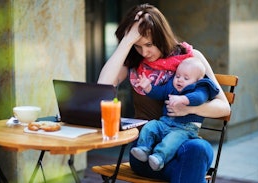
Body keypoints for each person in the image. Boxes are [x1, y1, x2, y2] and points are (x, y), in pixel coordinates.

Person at [97, 3, 230, 183]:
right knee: (193, 161)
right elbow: (102, 87)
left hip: (183, 144)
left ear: (161, 36)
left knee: (197, 149)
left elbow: (224, 108)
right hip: (146, 150)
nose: (144, 52)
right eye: (137, 46)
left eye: (149, 44)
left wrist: (189, 109)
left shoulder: (191, 59)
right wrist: (127, 41)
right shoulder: (135, 62)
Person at [130, 57, 219, 171]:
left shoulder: (201, 87)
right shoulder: (172, 85)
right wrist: (148, 88)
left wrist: (184, 99)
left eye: (186, 78)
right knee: (150, 126)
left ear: (198, 80)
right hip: (165, 122)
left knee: (171, 140)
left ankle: (159, 157)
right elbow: (160, 93)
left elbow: (199, 98)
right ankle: (143, 148)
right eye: (177, 76)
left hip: (185, 129)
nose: (180, 80)